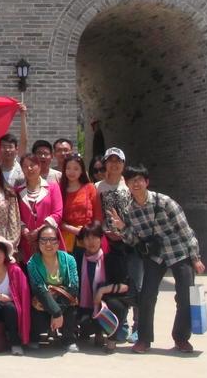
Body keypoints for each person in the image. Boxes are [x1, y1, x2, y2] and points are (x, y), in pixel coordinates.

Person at [110, 165, 205, 354]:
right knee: (147, 296)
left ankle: (181, 338)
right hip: (155, 256)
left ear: (146, 182)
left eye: (139, 179)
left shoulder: (165, 202)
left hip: (179, 252)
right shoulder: (129, 210)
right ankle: (144, 339)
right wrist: (122, 228)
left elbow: (186, 231)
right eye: (131, 180)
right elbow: (134, 240)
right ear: (127, 184)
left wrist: (195, 258)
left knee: (185, 296)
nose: (136, 184)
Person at [95, 147, 138, 342]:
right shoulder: (97, 187)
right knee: (113, 283)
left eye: (118, 161)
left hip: (129, 241)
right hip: (108, 242)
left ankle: (137, 325)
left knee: (134, 283)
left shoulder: (130, 186)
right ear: (105, 164)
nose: (114, 164)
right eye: (110, 161)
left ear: (123, 164)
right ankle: (119, 323)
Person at [74, 221, 136, 354]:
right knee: (80, 319)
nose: (91, 242)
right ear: (82, 241)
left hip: (107, 304)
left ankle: (111, 339)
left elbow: (125, 286)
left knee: (115, 305)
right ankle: (94, 331)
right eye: (87, 238)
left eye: (95, 237)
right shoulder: (78, 259)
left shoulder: (111, 258)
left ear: (101, 238)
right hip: (86, 305)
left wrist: (102, 291)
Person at [26, 221, 79, 351]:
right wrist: (56, 312)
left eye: (52, 240)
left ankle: (68, 339)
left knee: (73, 303)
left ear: (58, 242)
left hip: (64, 299)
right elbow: (38, 288)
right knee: (37, 303)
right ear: (38, 242)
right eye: (43, 240)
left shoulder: (69, 260)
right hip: (44, 298)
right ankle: (35, 336)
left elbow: (73, 286)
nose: (48, 244)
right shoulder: (32, 262)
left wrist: (57, 311)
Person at [16, 153, 64, 264]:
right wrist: (25, 231)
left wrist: (39, 231)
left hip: (49, 239)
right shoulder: (18, 190)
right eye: (25, 166)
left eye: (32, 165)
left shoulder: (53, 187)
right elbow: (16, 216)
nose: (29, 168)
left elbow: (57, 213)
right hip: (28, 242)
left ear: (39, 166)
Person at [59, 153, 102, 259]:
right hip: (66, 239)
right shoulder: (60, 190)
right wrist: (73, 230)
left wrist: (93, 234)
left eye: (76, 168)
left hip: (88, 238)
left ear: (82, 170)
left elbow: (98, 216)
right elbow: (57, 216)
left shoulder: (90, 188)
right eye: (68, 168)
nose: (71, 172)